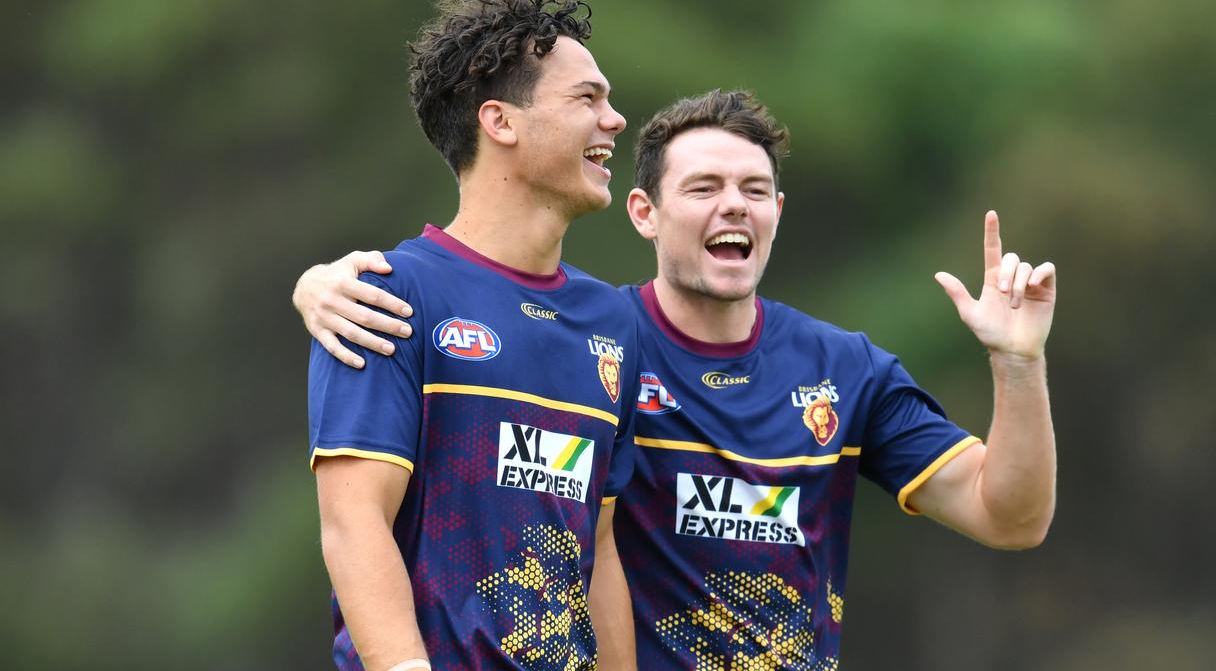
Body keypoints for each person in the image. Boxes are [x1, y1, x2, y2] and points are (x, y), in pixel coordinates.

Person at [297, 90, 1057, 668]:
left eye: (755, 190)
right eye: (703, 188)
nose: (734, 205)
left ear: (777, 212)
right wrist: (323, 285)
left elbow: (1012, 516)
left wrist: (1018, 364)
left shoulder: (844, 369)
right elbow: (471, 318)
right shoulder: (586, 341)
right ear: (644, 213)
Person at [306, 0, 641, 671]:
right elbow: (352, 523)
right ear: (501, 122)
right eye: (588, 98)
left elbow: (600, 545)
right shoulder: (388, 294)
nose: (615, 120)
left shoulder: (612, 320)